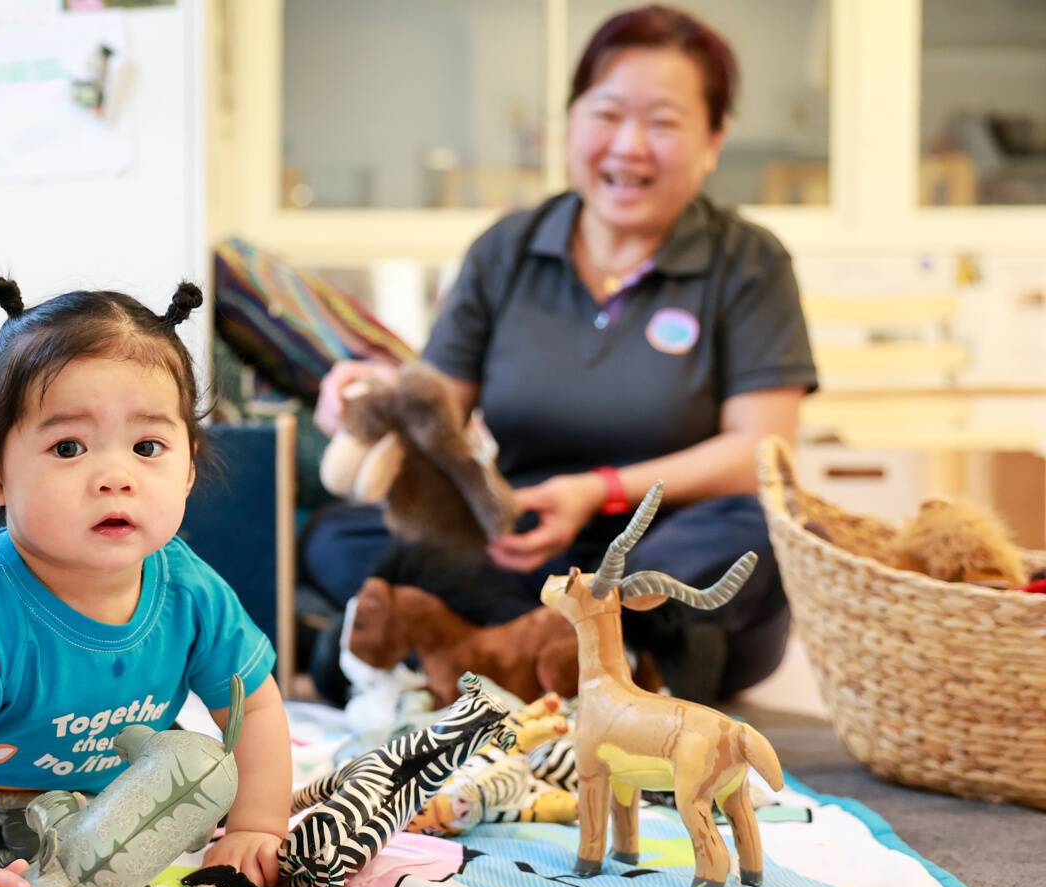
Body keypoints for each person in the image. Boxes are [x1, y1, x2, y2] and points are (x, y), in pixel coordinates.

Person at [304, 4, 817, 705]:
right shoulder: (508, 250)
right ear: (571, 122)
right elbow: (436, 412)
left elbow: (758, 452)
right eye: (607, 115)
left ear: (713, 140)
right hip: (521, 543)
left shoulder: (749, 262)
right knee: (336, 535)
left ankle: (484, 644)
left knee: (761, 531)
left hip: (663, 551)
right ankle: (591, 659)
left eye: (663, 123)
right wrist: (377, 401)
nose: (629, 146)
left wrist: (599, 492)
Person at [0, 277, 292, 887]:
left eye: (147, 448)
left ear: (187, 468)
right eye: (68, 448)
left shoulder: (189, 590)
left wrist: (255, 826)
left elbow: (254, 706)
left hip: (94, 799)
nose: (115, 476)